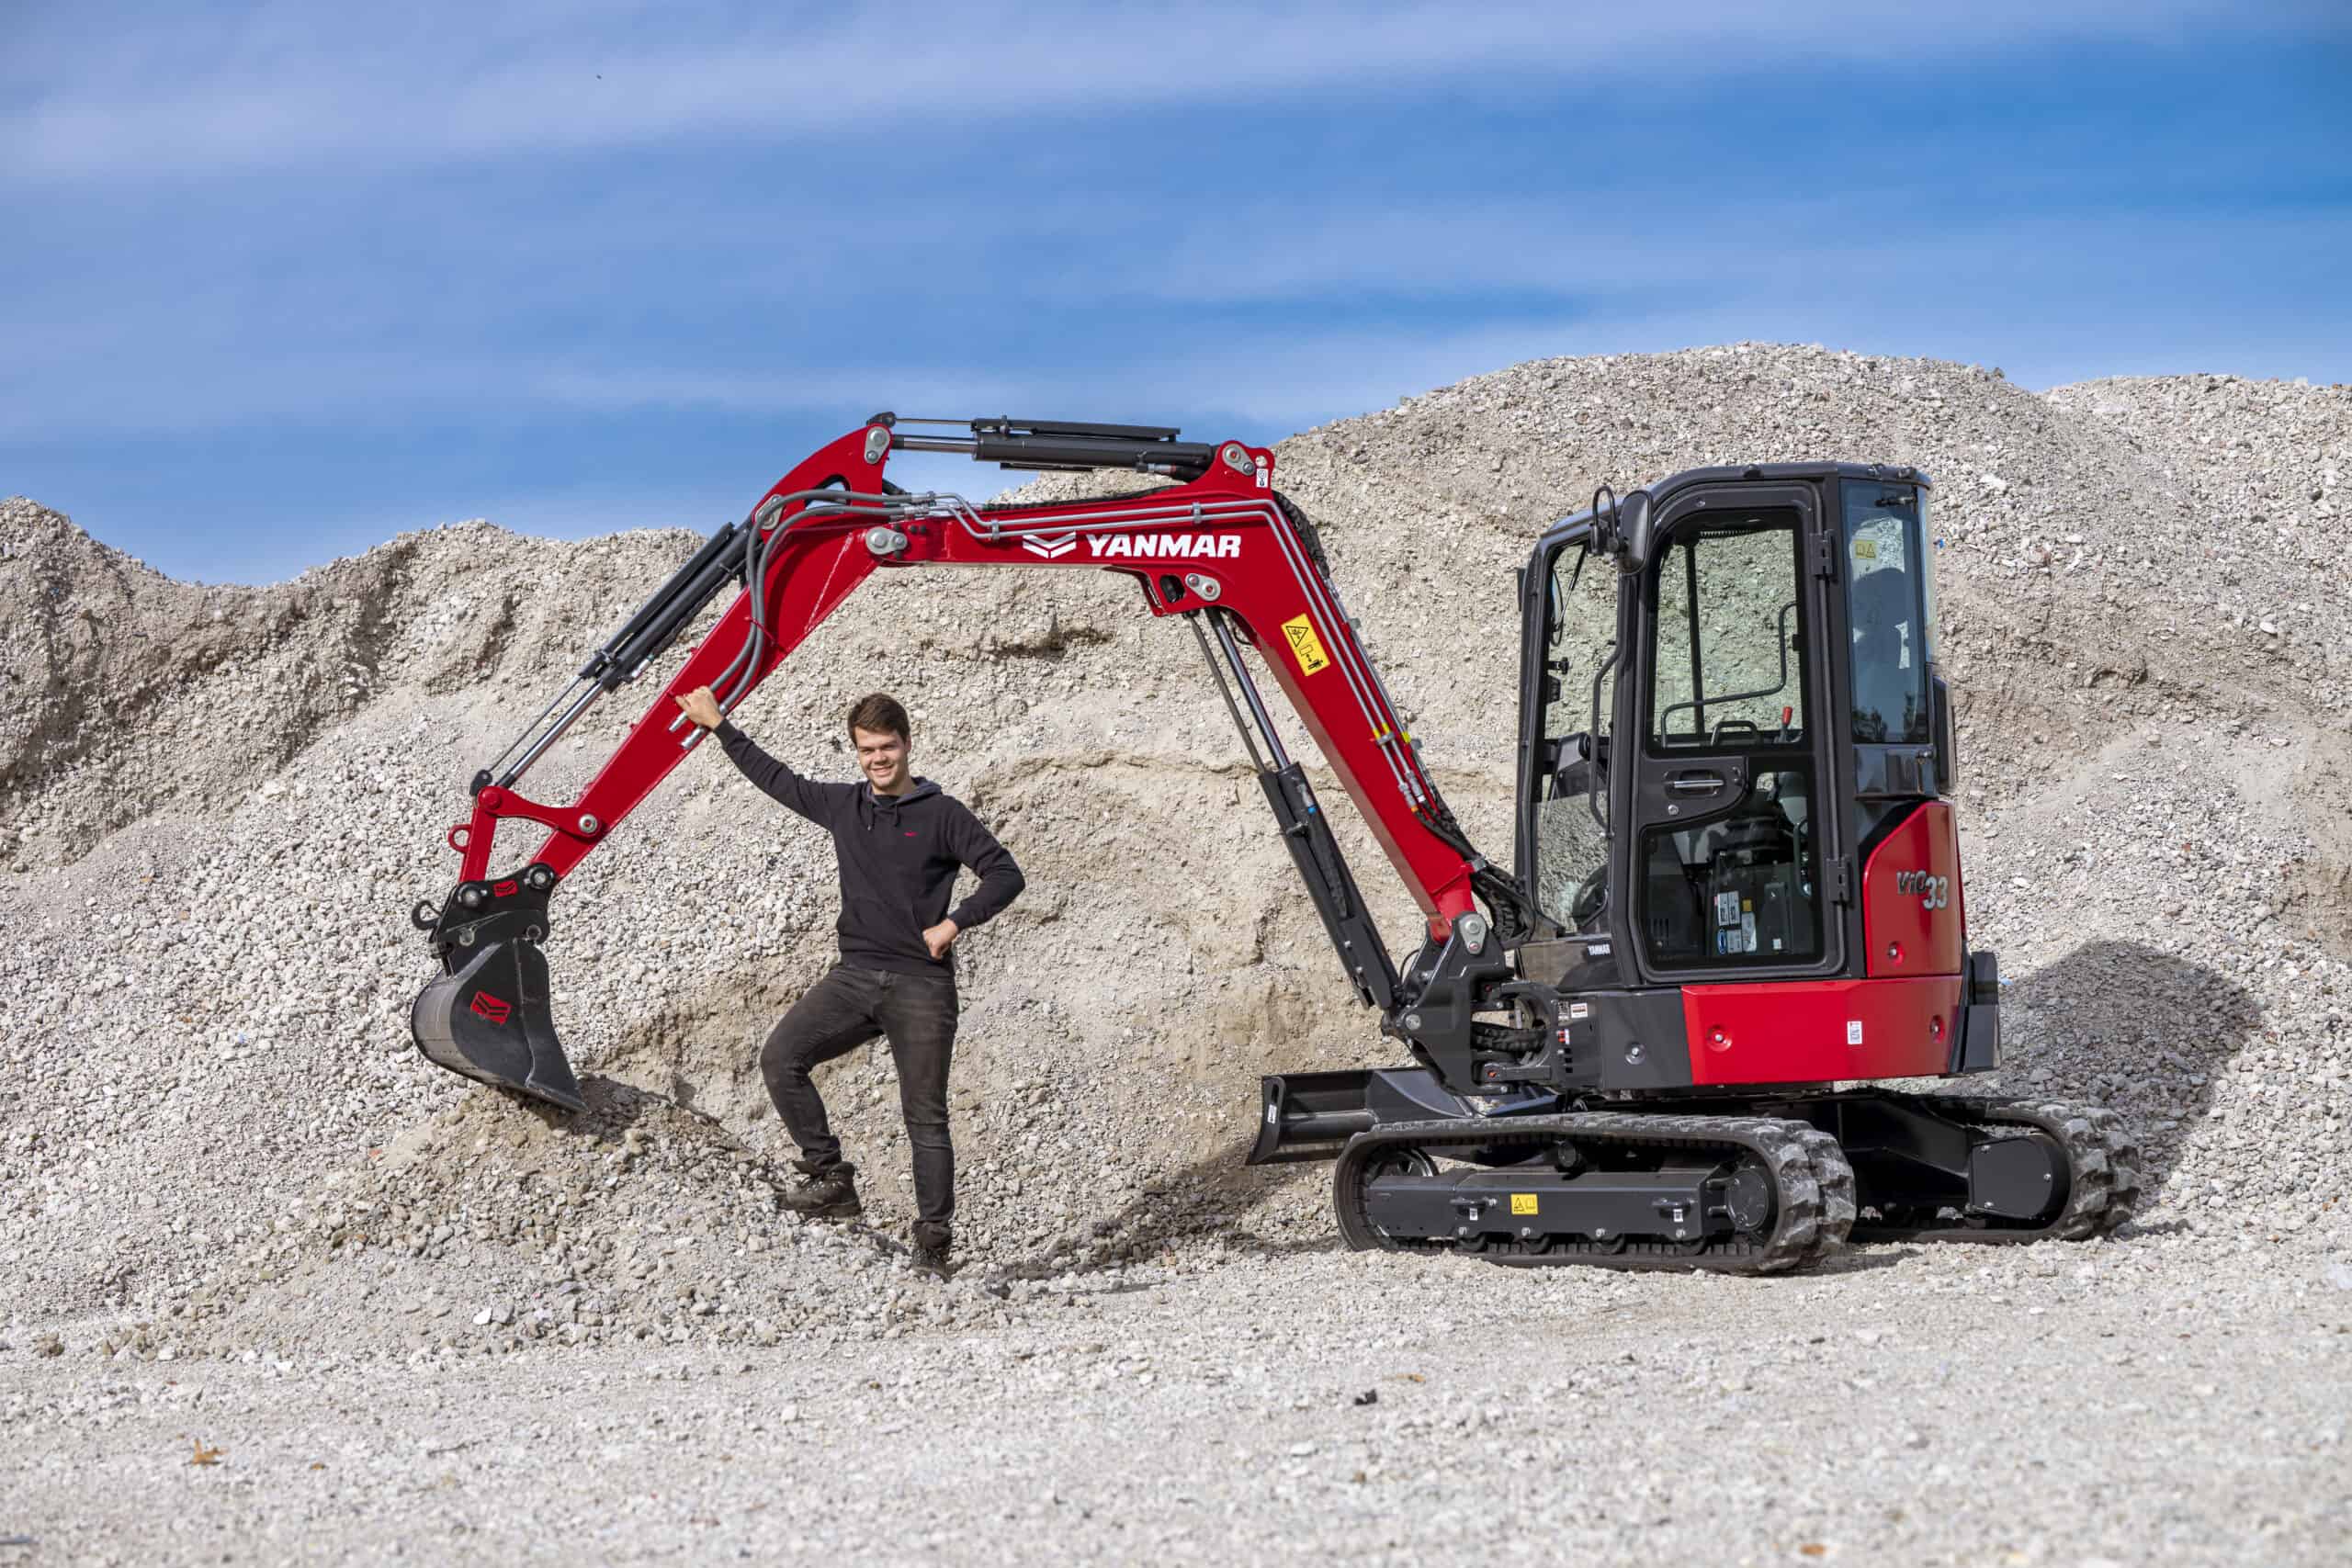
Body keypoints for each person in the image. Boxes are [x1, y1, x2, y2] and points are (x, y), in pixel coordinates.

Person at [673, 686, 1024, 1279]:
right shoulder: (844, 806)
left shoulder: (943, 814)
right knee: (781, 1057)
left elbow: (1005, 873)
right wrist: (720, 727)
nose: (878, 759)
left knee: (925, 1118)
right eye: (867, 749)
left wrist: (954, 923)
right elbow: (777, 780)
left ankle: (933, 1248)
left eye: (887, 747)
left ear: (906, 745)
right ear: (856, 752)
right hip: (855, 976)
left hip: (921, 987)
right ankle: (831, 1177)